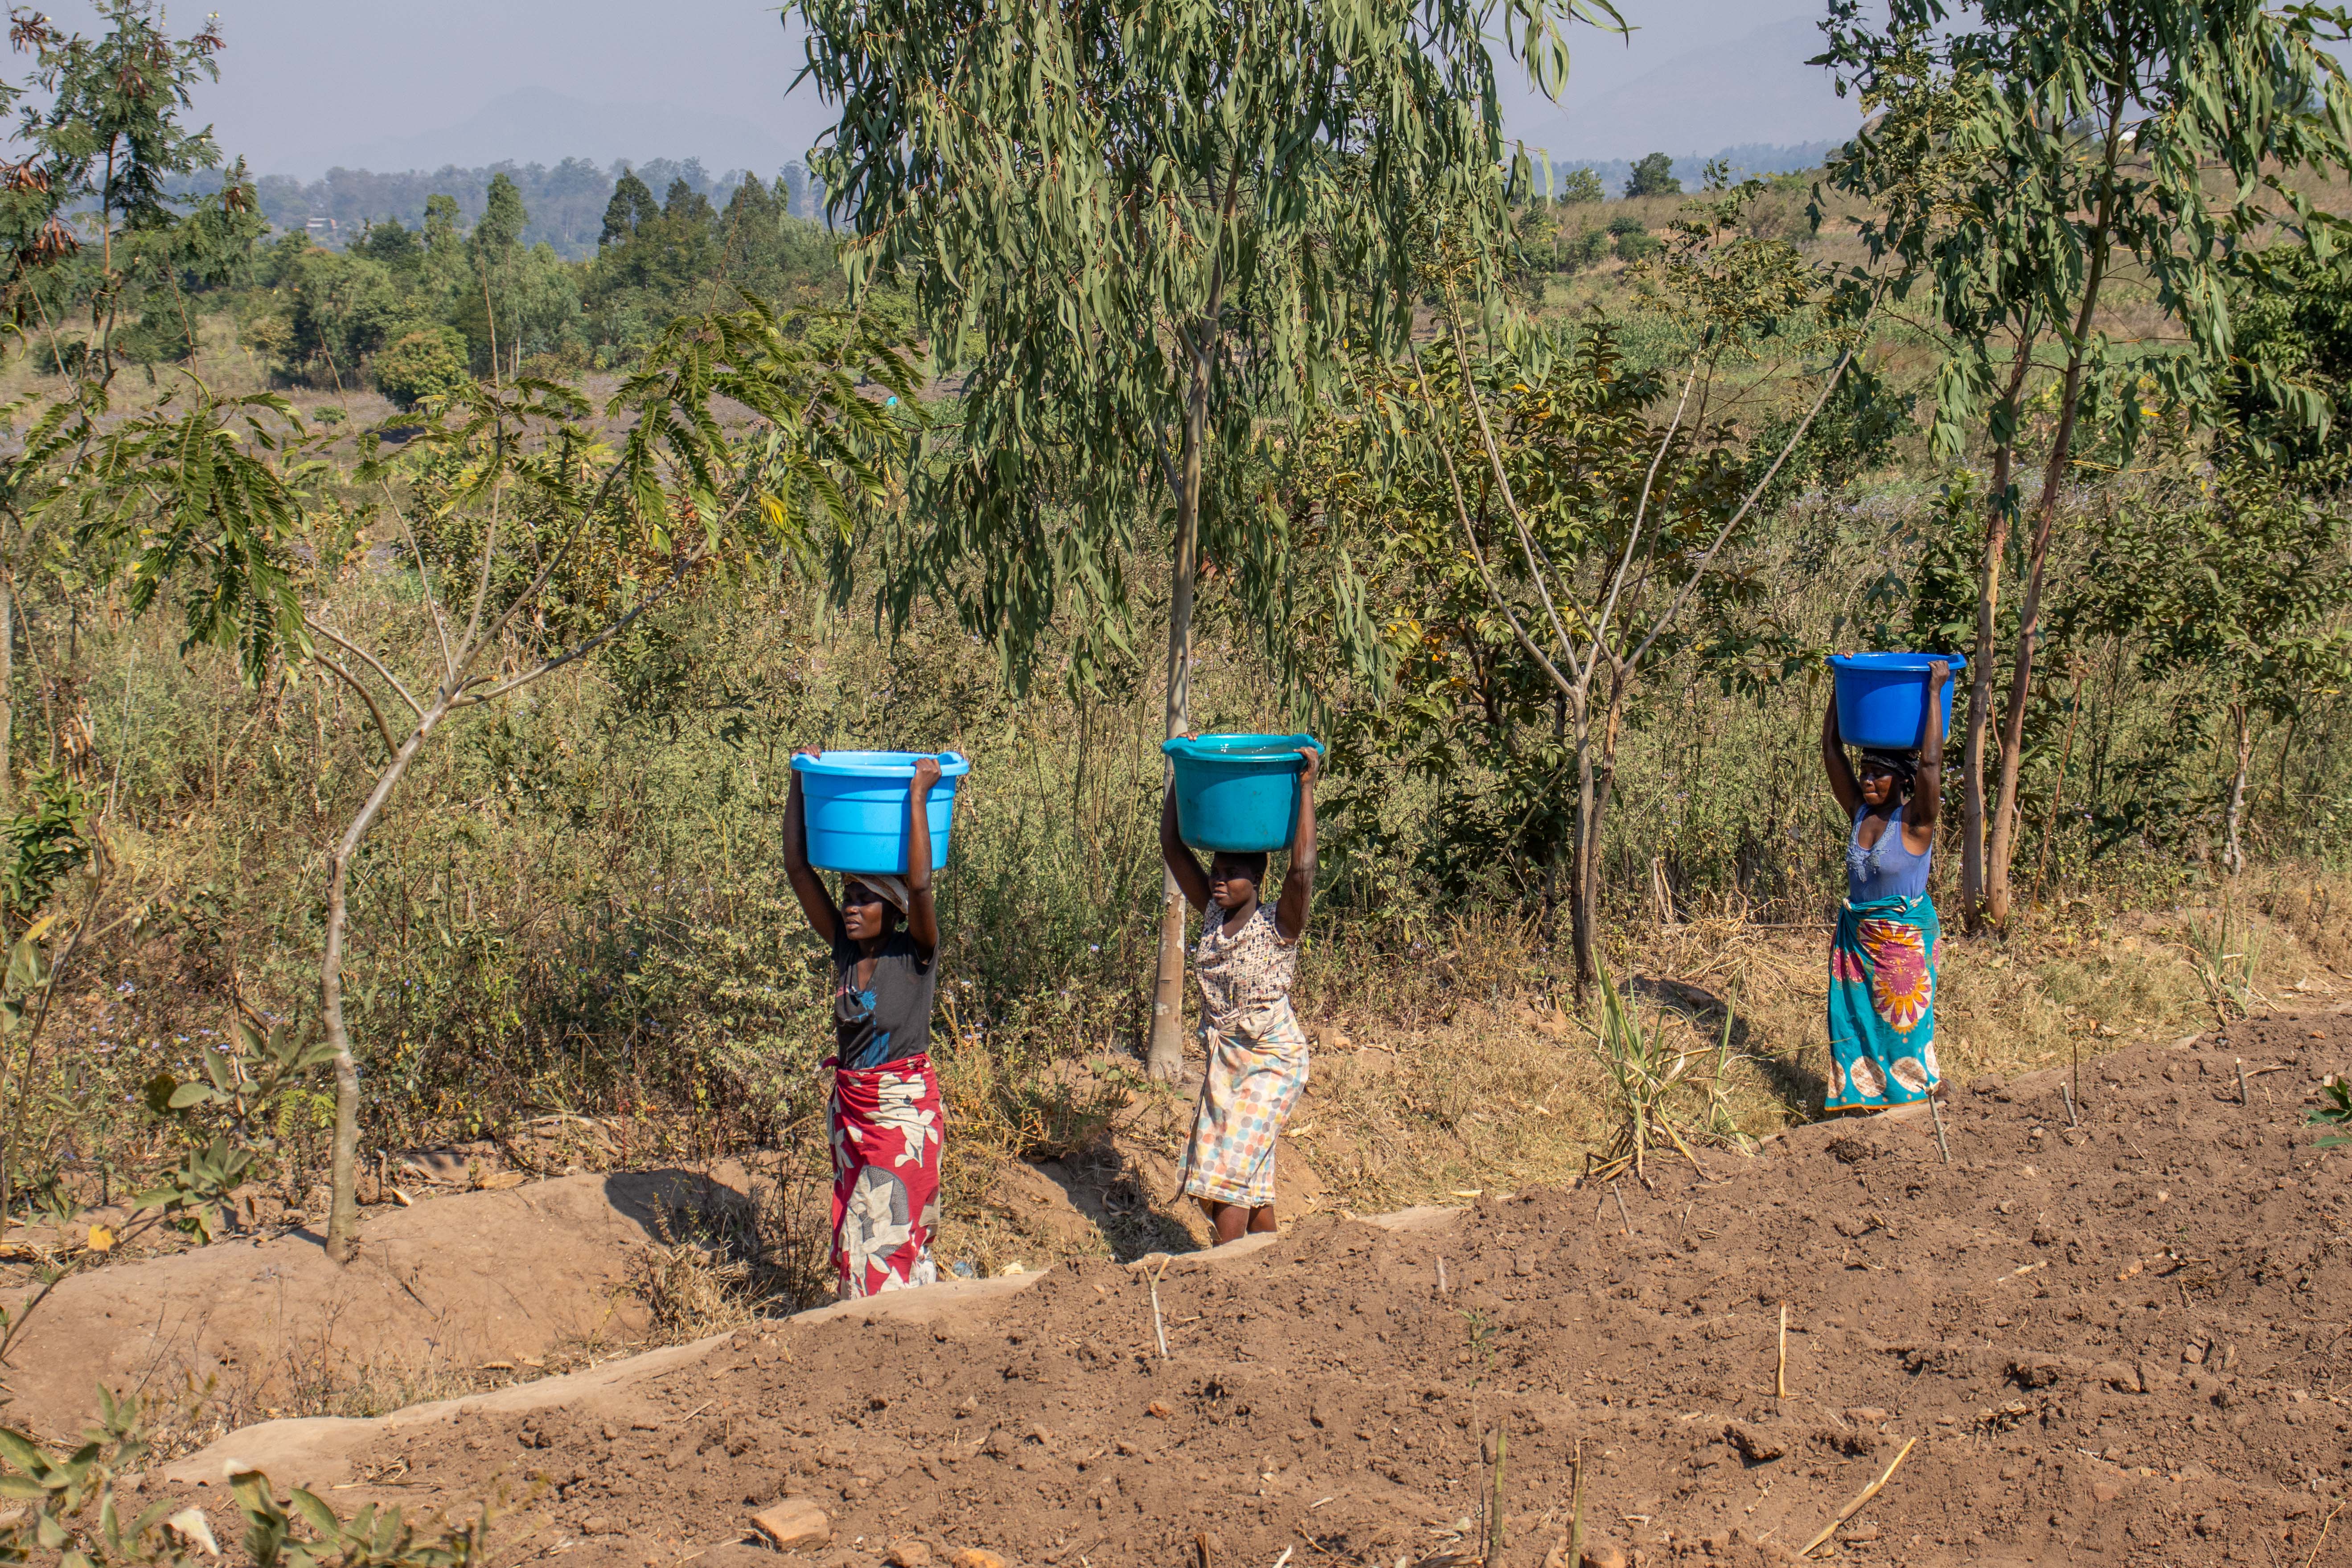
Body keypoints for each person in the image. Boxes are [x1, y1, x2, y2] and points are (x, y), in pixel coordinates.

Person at [784, 749, 948, 1298]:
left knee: (891, 1228)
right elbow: (797, 868)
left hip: (900, 1115)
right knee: (861, 1228)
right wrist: (798, 779)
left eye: (864, 898)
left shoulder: (915, 952)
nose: (850, 908)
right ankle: (872, 1323)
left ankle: (896, 1326)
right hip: (853, 1108)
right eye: (848, 896)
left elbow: (923, 886)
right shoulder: (844, 950)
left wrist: (919, 797)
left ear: (894, 908)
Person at [1159, 743, 1321, 1244]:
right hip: (1227, 1058)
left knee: (1227, 1177)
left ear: (1259, 877)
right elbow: (1172, 847)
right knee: (1233, 1181)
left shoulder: (1279, 925)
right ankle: (1266, 1264)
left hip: (1272, 1056)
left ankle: (1225, 1276)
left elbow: (1303, 870)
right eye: (1217, 870)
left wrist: (1307, 789)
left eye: (1233, 872)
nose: (1220, 879)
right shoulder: (1211, 912)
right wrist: (1181, 777)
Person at [1818, 661, 1948, 1113]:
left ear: (1903, 781)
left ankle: (1916, 1093)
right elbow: (1831, 750)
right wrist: (1839, 683)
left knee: (1903, 1025)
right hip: (1858, 939)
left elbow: (1932, 760)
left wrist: (1934, 691)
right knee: (1856, 1020)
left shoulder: (1916, 821)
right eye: (1866, 773)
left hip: (1902, 940)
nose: (1869, 781)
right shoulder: (1859, 812)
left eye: (1879, 773)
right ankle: (1863, 1094)